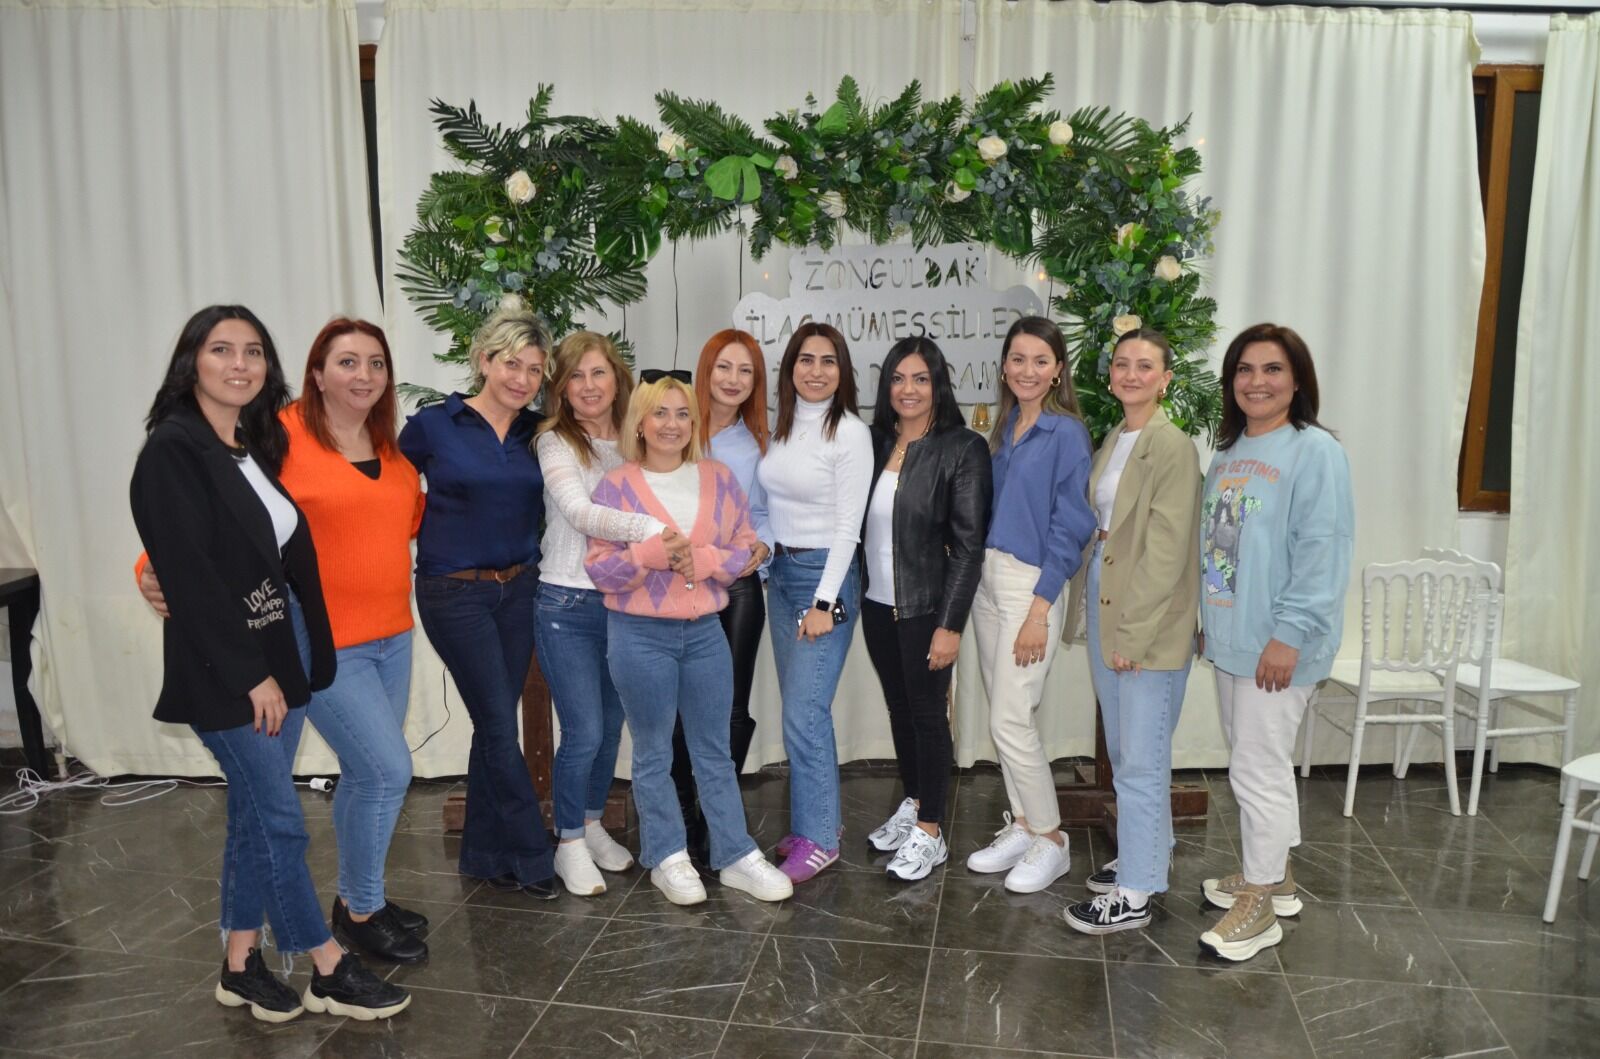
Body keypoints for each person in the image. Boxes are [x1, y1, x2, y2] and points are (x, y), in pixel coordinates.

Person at [131, 305, 408, 1023]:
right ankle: (327, 966)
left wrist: (293, 659)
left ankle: (239, 963)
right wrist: (250, 675)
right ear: (192, 361)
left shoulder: (247, 442)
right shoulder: (173, 450)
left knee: (255, 817)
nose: (240, 364)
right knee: (281, 820)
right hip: (230, 667)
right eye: (222, 350)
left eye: (253, 351)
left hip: (280, 650)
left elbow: (273, 551)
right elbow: (186, 571)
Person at [585, 378, 794, 906]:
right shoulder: (615, 487)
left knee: (714, 751)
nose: (672, 424)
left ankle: (735, 854)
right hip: (639, 636)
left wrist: (703, 561)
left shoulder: (718, 478)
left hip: (704, 633)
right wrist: (646, 556)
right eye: (660, 413)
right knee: (654, 751)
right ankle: (668, 856)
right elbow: (601, 569)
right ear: (639, 423)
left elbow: (745, 547)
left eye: (682, 414)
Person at [1196, 322, 1353, 961]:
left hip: (1278, 646)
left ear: (1297, 380)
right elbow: (1220, 547)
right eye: (1244, 370)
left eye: (1272, 369)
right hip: (1232, 641)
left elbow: (1323, 550)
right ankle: (1276, 875)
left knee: (1254, 768)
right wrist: (1208, 619)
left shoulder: (1315, 451)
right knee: (1258, 759)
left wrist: (1289, 635)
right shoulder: (1229, 453)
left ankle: (1259, 903)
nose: (1256, 382)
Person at [399, 302, 558, 899]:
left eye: (534, 370)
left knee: (492, 723)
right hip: (453, 590)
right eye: (511, 364)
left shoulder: (537, 432)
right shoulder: (433, 425)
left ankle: (483, 854)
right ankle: (533, 853)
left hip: (519, 588)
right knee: (496, 722)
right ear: (484, 360)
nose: (522, 379)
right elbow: (386, 488)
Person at [1061, 329, 1202, 935]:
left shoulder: (1173, 447)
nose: (1131, 374)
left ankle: (1136, 893)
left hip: (1148, 618)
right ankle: (1147, 854)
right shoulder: (1117, 438)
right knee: (1127, 752)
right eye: (1122, 364)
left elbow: (1166, 553)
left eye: (1145, 366)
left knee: (1142, 760)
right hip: (1109, 605)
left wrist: (1135, 635)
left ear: (1166, 378)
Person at [535, 331, 670, 896]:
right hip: (565, 603)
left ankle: (590, 824)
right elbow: (579, 511)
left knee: (612, 726)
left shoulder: (637, 440)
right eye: (575, 376)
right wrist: (652, 530)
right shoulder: (554, 442)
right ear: (561, 388)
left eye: (598, 373)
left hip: (625, 604)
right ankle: (567, 842)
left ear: (618, 379)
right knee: (584, 729)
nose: (588, 386)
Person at [965, 316, 1096, 893]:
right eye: (1018, 359)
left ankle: (1051, 837)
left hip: (1030, 586)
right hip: (986, 583)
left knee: (1010, 718)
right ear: (1003, 367)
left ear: (1058, 370)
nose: (1027, 370)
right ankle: (1022, 824)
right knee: (1005, 713)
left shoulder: (1066, 433)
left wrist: (1041, 610)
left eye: (1041, 361)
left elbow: (1073, 523)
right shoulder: (1001, 429)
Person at [861, 337, 992, 882]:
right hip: (876, 603)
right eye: (898, 378)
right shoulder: (874, 443)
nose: (907, 389)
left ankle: (932, 831)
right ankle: (914, 804)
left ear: (938, 383)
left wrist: (949, 625)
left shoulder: (962, 448)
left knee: (928, 715)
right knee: (900, 710)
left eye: (920, 378)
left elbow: (968, 547)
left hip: (926, 608)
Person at [757, 322, 873, 883]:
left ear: (842, 371)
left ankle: (822, 839)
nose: (817, 371)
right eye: (806, 359)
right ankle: (814, 822)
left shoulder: (849, 432)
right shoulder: (782, 427)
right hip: (781, 574)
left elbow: (849, 528)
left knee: (806, 713)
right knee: (798, 708)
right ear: (791, 367)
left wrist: (824, 602)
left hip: (823, 579)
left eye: (829, 361)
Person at [673, 331, 775, 864]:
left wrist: (764, 545)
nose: (733, 380)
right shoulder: (674, 427)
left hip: (736, 584)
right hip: (673, 584)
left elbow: (765, 515)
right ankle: (682, 811)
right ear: (706, 370)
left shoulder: (759, 446)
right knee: (676, 704)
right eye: (724, 367)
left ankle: (720, 810)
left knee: (730, 703)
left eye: (746, 371)